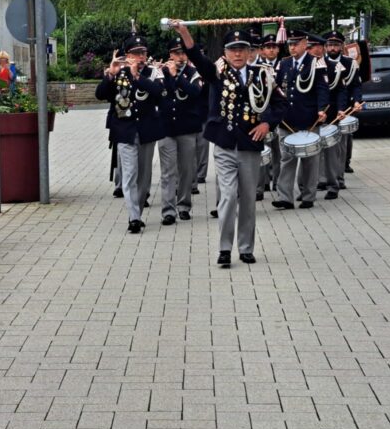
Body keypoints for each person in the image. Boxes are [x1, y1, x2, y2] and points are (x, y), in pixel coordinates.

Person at [173, 21, 276, 268]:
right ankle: (225, 248)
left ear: (249, 52)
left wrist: (267, 123)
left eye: (242, 49)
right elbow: (197, 58)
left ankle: (246, 248)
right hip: (225, 143)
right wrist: (185, 33)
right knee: (228, 197)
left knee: (248, 199)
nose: (237, 54)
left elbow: (280, 103)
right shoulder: (217, 74)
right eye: (232, 49)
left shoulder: (262, 74)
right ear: (225, 52)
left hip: (250, 144)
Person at [95, 36, 165, 233]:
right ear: (127, 55)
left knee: (143, 177)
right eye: (136, 53)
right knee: (130, 174)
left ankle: (138, 210)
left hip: (147, 130)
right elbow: (100, 94)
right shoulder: (119, 72)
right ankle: (134, 217)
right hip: (124, 130)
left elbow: (160, 92)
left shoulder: (153, 72)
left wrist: (137, 77)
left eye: (143, 53)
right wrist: (110, 74)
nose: (140, 57)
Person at [272, 30, 328, 210]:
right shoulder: (284, 63)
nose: (292, 47)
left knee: (310, 160)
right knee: (287, 159)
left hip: (308, 119)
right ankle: (285, 198)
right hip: (287, 119)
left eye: (296, 44)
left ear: (305, 44)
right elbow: (277, 88)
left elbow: (322, 88)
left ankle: (308, 196)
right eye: (290, 44)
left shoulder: (315, 63)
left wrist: (322, 109)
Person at [158, 38, 204, 224]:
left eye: (184, 53)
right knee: (168, 171)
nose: (181, 56)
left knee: (186, 170)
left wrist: (177, 76)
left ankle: (184, 205)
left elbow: (195, 93)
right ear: (170, 54)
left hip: (187, 128)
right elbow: (161, 93)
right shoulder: (160, 73)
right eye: (177, 53)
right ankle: (168, 210)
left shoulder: (193, 73)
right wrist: (169, 75)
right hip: (166, 128)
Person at [322, 31, 363, 192]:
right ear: (325, 47)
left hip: (343, 109)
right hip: (324, 110)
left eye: (336, 45)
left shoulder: (350, 63)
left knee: (340, 147)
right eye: (330, 45)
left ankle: (339, 178)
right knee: (323, 147)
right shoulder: (320, 63)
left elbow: (356, 85)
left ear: (341, 46)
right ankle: (323, 178)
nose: (332, 48)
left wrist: (357, 101)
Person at [255, 33, 281, 200]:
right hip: (262, 114)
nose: (271, 50)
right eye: (268, 47)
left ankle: (277, 181)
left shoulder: (283, 64)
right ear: (262, 50)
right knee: (262, 150)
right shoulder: (258, 67)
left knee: (278, 151)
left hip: (277, 114)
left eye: (274, 47)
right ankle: (261, 184)